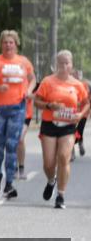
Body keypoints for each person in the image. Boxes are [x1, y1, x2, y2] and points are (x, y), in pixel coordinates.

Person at [0, 30, 35, 198]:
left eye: (11, 42)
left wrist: (28, 90)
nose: (8, 45)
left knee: (12, 145)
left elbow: (33, 78)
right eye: (5, 42)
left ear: (16, 44)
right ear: (1, 44)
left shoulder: (23, 62)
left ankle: (9, 183)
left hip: (17, 108)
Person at [34, 51, 89, 209]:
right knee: (48, 163)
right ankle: (51, 180)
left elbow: (86, 102)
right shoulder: (47, 81)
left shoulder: (77, 84)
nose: (64, 66)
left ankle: (61, 195)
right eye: (61, 63)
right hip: (50, 124)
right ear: (56, 65)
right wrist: (49, 105)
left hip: (69, 126)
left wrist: (80, 114)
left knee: (64, 157)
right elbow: (37, 101)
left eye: (67, 63)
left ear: (71, 65)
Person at [76, 69, 89, 158]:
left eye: (79, 74)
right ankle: (71, 151)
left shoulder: (86, 85)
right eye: (76, 74)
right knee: (70, 131)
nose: (78, 75)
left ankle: (80, 142)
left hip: (83, 112)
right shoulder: (69, 84)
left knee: (79, 130)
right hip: (72, 112)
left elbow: (88, 99)